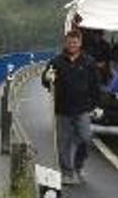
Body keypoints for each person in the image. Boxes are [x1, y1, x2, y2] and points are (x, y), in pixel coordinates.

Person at [42, 30, 100, 184]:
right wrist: (48, 78)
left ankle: (78, 166)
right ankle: (67, 173)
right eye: (69, 42)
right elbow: (45, 81)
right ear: (65, 43)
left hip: (82, 109)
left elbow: (95, 85)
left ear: (80, 43)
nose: (72, 45)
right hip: (62, 109)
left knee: (85, 138)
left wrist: (96, 106)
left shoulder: (89, 62)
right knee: (63, 143)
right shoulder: (56, 62)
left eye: (75, 42)